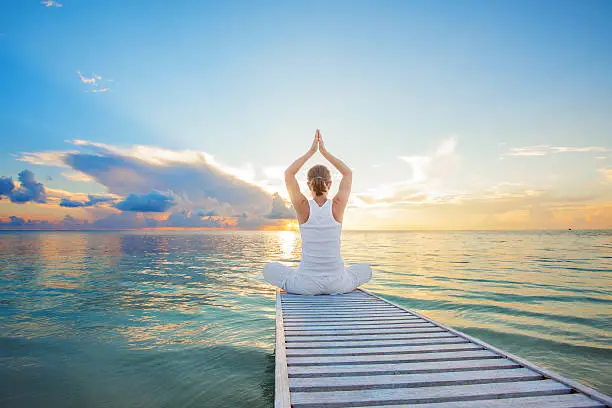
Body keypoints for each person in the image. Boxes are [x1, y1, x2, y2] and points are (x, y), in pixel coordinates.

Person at [263, 129, 372, 295]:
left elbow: (289, 174)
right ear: (329, 184)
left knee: (269, 269)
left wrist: (312, 151)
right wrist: (324, 152)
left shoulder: (302, 206)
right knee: (365, 270)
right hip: (338, 283)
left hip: (305, 285)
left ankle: (298, 277)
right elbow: (347, 173)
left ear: (308, 185)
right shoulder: (338, 204)